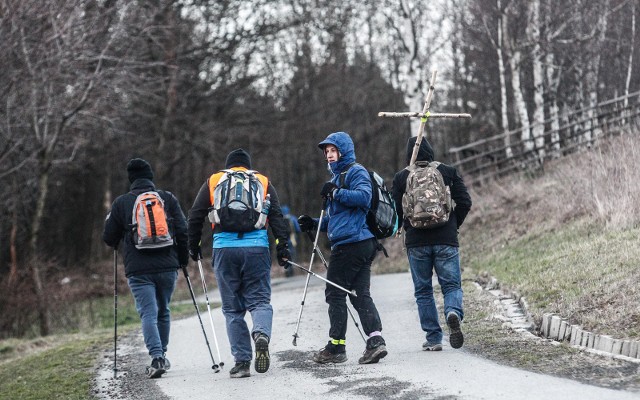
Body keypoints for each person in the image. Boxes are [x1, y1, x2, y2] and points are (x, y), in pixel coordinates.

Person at [187, 148, 290, 379]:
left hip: (224, 248)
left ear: (228, 165)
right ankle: (261, 334)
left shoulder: (214, 180)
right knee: (260, 300)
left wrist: (192, 247)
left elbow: (195, 215)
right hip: (256, 248)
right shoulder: (262, 181)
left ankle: (242, 363)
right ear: (248, 166)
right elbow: (276, 217)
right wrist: (282, 247)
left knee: (233, 308)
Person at [298, 131, 388, 365]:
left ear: (343, 151)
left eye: (332, 150)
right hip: (358, 243)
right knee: (359, 295)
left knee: (335, 293)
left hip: (352, 244)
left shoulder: (354, 172)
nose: (328, 155)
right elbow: (337, 219)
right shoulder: (337, 179)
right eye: (326, 151)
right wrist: (314, 223)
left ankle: (336, 347)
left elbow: (363, 198)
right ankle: (376, 342)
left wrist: (335, 192)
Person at [103, 158, 189, 379]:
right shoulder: (167, 198)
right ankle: (163, 355)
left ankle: (157, 357)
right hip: (168, 265)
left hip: (138, 269)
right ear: (151, 177)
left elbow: (109, 239)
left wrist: (111, 223)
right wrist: (182, 260)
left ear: (131, 179)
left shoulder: (122, 203)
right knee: (164, 311)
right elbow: (182, 230)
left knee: (148, 314)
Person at [391, 137, 472, 351]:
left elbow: (396, 213)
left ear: (410, 155)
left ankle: (434, 337)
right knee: (452, 285)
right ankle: (452, 312)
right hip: (446, 238)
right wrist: (453, 224)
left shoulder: (401, 177)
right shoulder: (448, 171)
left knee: (423, 291)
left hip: (417, 243)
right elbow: (465, 201)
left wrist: (405, 227)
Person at [280, 205, 301, 277]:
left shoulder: (280, 219)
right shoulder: (292, 218)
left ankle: (286, 269)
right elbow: (298, 229)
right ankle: (291, 269)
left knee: (284, 254)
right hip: (292, 239)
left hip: (283, 240)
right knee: (292, 254)